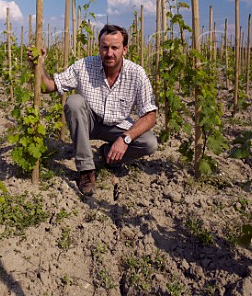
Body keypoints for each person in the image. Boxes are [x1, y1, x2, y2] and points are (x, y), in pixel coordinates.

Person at [28, 24, 158, 195]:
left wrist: (124, 139)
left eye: (114, 48)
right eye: (105, 47)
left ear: (125, 49)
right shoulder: (84, 66)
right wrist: (39, 65)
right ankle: (86, 170)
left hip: (117, 127)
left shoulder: (137, 74)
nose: (109, 53)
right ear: (99, 47)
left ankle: (107, 155)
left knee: (149, 143)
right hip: (88, 123)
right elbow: (49, 86)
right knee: (74, 102)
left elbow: (150, 115)